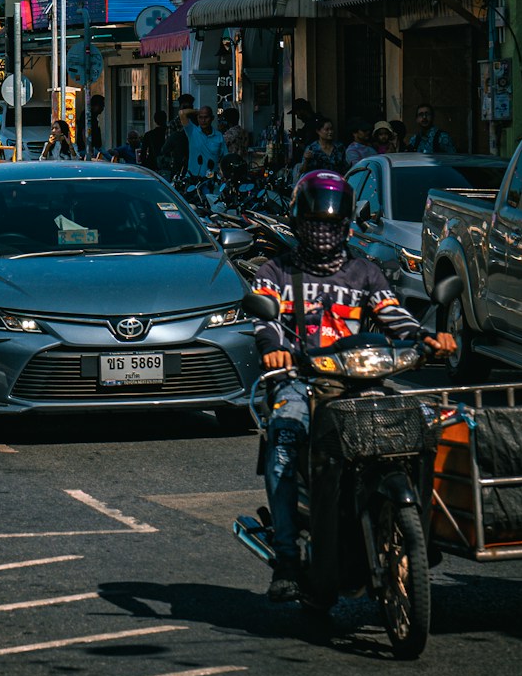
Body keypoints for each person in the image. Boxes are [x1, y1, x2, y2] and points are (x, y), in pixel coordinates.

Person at [251, 171, 456, 602]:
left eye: (331, 225)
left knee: (422, 430)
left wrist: (426, 338)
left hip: (359, 380)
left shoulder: (365, 272)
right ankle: (287, 557)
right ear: (298, 223)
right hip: (301, 383)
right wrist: (274, 348)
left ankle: (420, 532)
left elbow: (393, 314)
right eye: (313, 224)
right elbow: (264, 318)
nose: (323, 233)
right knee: (284, 441)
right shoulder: (277, 271)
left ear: (345, 226)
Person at [185, 106, 225, 178]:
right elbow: (182, 113)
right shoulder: (192, 131)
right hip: (192, 179)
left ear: (212, 118)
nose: (203, 120)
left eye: (206, 117)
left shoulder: (219, 136)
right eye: (200, 117)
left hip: (211, 180)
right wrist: (196, 111)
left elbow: (225, 157)